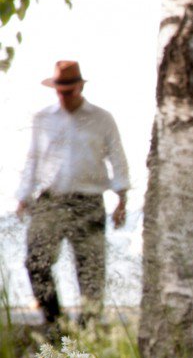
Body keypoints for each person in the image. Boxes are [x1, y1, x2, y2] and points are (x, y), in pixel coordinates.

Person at [16, 60, 130, 327]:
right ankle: (53, 323)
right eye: (59, 90)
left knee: (91, 270)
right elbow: (32, 160)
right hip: (49, 200)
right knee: (36, 262)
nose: (64, 96)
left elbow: (118, 158)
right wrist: (23, 196)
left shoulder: (102, 118)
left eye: (69, 90)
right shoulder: (42, 118)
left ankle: (90, 328)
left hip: (88, 201)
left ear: (80, 86)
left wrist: (122, 199)